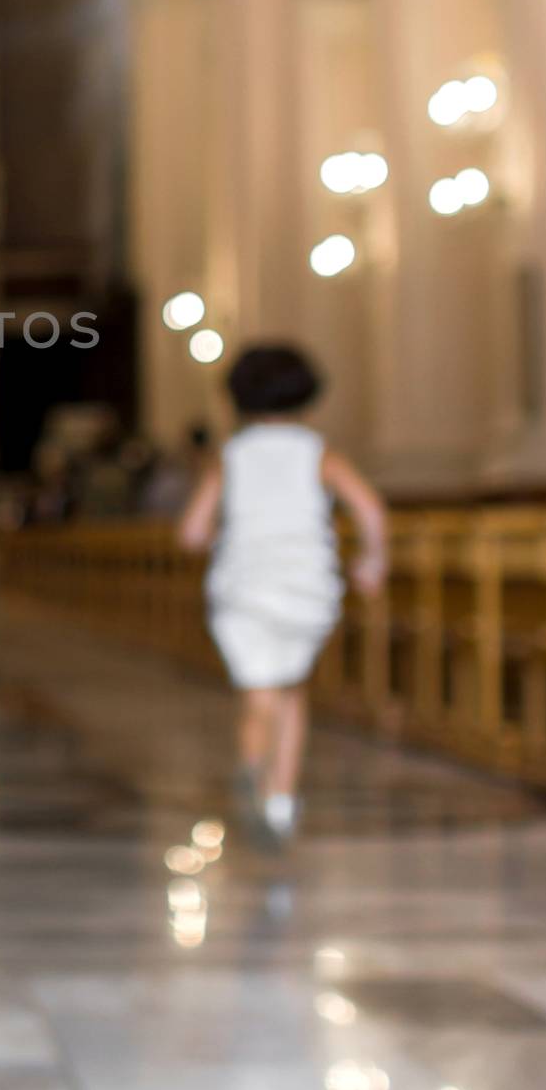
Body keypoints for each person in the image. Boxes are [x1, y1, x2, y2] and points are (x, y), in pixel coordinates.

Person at [177, 344, 386, 847]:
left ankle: (252, 765)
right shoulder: (320, 454)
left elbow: (190, 533)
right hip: (305, 587)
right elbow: (370, 509)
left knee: (260, 692)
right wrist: (372, 559)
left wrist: (212, 536)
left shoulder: (227, 458)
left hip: (245, 586)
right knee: (291, 688)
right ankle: (281, 801)